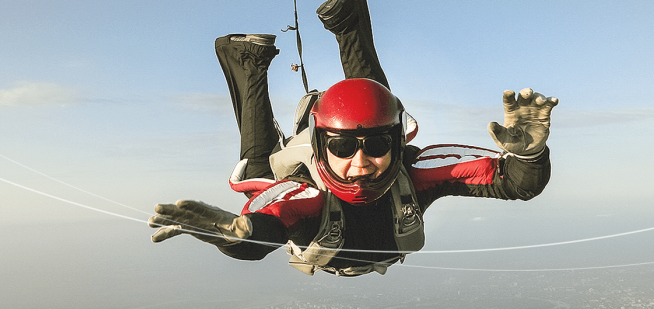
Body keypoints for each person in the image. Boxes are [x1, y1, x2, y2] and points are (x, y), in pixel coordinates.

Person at [148, 0, 558, 276]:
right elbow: (259, 233)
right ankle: (250, 59)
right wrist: (229, 234)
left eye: (379, 147)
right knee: (260, 168)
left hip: (351, 190)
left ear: (398, 144)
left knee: (374, 110)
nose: (360, 163)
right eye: (343, 148)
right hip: (315, 193)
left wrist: (530, 154)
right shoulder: (306, 197)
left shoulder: (414, 172)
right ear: (322, 142)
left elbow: (516, 183)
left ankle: (285, 46)